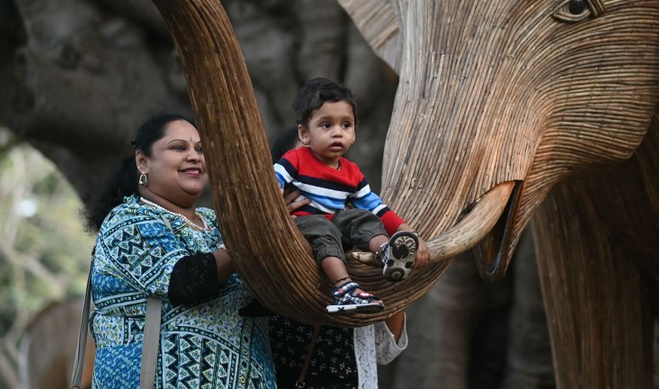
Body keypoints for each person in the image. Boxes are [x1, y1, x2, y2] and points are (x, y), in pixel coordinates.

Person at [83, 113, 276, 388]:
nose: (195, 156)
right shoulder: (127, 221)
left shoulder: (216, 222)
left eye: (200, 149)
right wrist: (250, 234)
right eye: (179, 147)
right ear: (142, 161)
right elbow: (184, 281)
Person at [269, 125, 409, 389]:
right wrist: (275, 227)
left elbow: (385, 350)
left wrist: (391, 280)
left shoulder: (359, 253)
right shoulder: (256, 258)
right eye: (307, 174)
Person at [274, 77, 430, 313]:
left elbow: (376, 207)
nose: (338, 133)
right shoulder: (295, 159)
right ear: (304, 134)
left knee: (359, 217)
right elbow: (272, 182)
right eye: (326, 125)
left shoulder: (352, 172)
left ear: (355, 133)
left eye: (345, 125)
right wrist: (274, 209)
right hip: (305, 225)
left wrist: (405, 229)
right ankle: (343, 287)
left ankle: (388, 252)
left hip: (335, 225)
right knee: (324, 228)